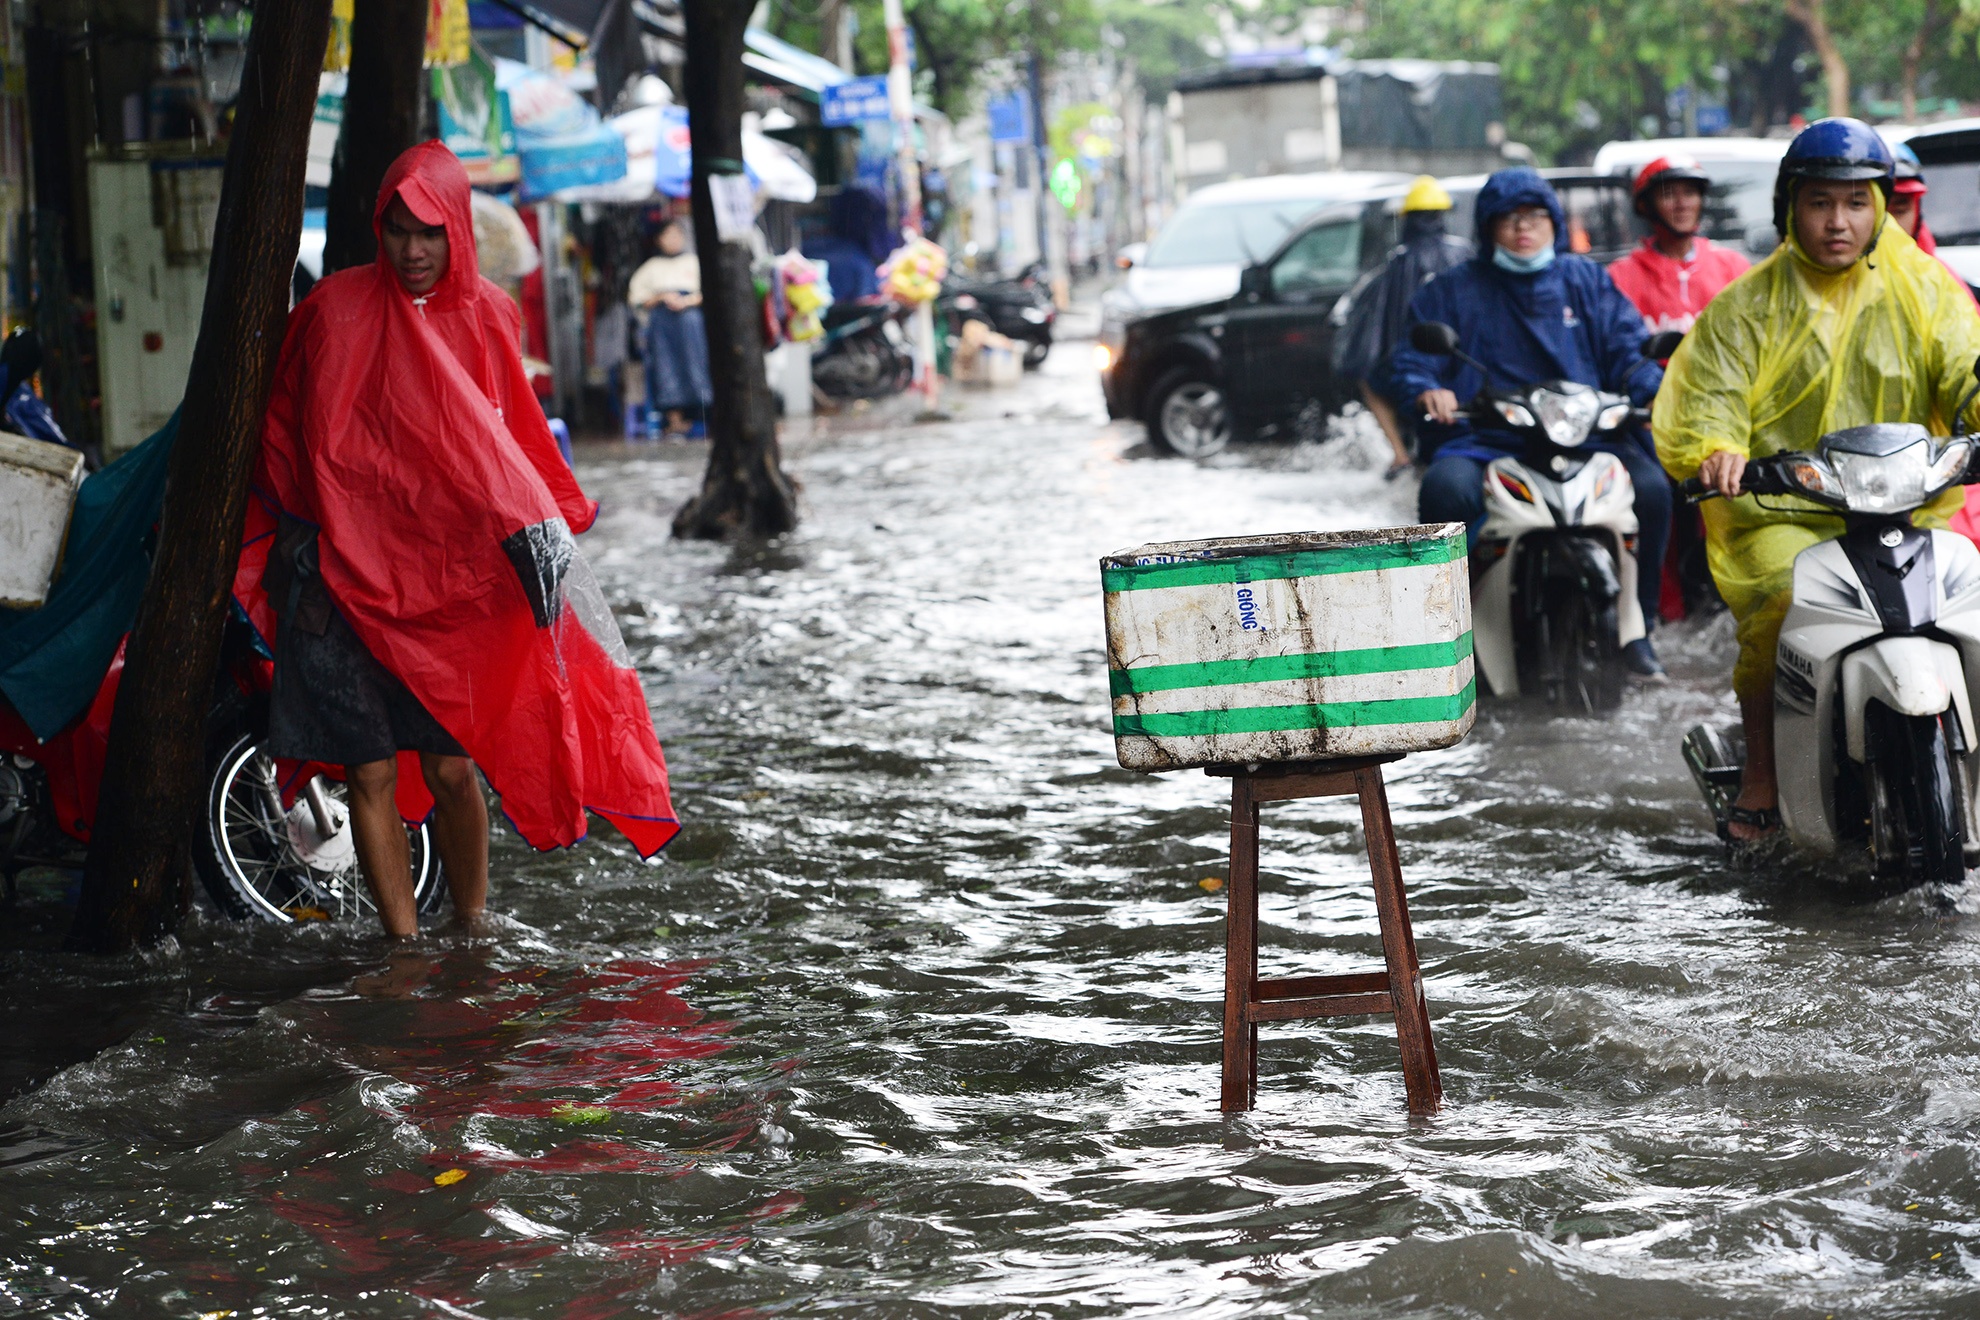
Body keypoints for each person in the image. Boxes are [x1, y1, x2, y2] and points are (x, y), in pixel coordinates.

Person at [235, 141, 680, 936]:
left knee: (450, 765)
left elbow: (512, 452)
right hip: (339, 577)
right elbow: (279, 431)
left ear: (459, 235)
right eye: (399, 229)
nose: (413, 249)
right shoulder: (333, 310)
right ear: (379, 227)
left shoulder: (488, 317)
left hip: (452, 583)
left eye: (431, 232)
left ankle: (472, 926)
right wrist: (335, 515)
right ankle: (403, 948)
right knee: (366, 766)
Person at [1655, 118, 1980, 840]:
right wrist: (1715, 449)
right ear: (1790, 208)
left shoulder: (1927, 290)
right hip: (1785, 509)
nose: (1840, 221)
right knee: (1777, 605)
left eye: (1858, 203)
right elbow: (1710, 396)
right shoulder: (1747, 307)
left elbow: (1966, 370)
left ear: (1881, 207)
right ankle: (1765, 779)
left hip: (1909, 502)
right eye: (1821, 203)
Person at [1388, 166, 1671, 678]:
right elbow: (1413, 360)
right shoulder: (1451, 290)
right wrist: (1428, 388)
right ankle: (1447, 634)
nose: (1524, 228)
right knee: (1444, 493)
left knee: (1653, 490)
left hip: (1589, 437)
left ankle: (1640, 626)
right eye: (1509, 219)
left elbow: (1629, 352)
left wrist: (1653, 392)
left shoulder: (1585, 280)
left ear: (1554, 224)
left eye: (1536, 217)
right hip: (1486, 438)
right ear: (1488, 228)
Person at [1331, 175, 1473, 476]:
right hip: (1459, 356)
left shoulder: (1399, 261)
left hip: (1420, 357)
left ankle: (1399, 455)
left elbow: (1384, 322)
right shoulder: (1464, 253)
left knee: (1370, 379)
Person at [1607, 155, 1751, 336]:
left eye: (1690, 193)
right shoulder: (1621, 277)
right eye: (1668, 194)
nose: (1682, 204)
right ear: (1645, 206)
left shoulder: (1733, 267)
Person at [628, 219, 712, 439]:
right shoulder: (651, 268)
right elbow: (637, 299)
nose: (673, 240)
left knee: (698, 364)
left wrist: (688, 301)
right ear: (659, 240)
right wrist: (661, 297)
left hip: (693, 323)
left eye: (677, 234)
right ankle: (675, 420)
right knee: (667, 368)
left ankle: (703, 416)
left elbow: (710, 292)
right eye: (669, 235)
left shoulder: (695, 262)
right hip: (663, 326)